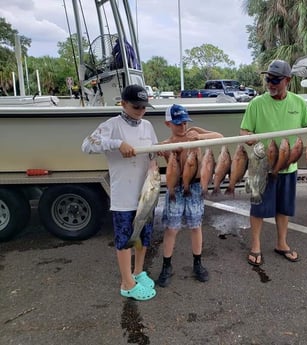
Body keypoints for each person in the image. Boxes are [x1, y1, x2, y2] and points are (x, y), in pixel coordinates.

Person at [239, 59, 307, 266]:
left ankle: (281, 243)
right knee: (257, 208)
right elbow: (244, 130)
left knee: (284, 208)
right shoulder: (256, 104)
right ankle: (256, 246)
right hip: (260, 165)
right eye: (268, 79)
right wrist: (248, 137)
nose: (271, 83)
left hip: (288, 166)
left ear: (288, 80)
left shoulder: (298, 102)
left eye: (276, 80)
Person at [81, 84, 158, 301]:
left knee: (143, 236)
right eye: (136, 106)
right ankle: (127, 283)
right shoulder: (111, 125)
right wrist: (117, 144)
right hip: (123, 196)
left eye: (144, 106)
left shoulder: (148, 125)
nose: (141, 111)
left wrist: (155, 161)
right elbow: (86, 145)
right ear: (123, 104)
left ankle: (138, 272)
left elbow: (152, 154)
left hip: (146, 193)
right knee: (125, 240)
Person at [157, 104, 223, 287]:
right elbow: (154, 151)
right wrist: (160, 150)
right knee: (171, 229)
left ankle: (198, 263)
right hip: (175, 188)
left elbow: (220, 137)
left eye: (185, 122)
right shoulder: (167, 144)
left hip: (194, 187)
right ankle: (166, 265)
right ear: (168, 123)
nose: (183, 127)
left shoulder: (194, 133)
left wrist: (200, 136)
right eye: (178, 124)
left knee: (196, 226)